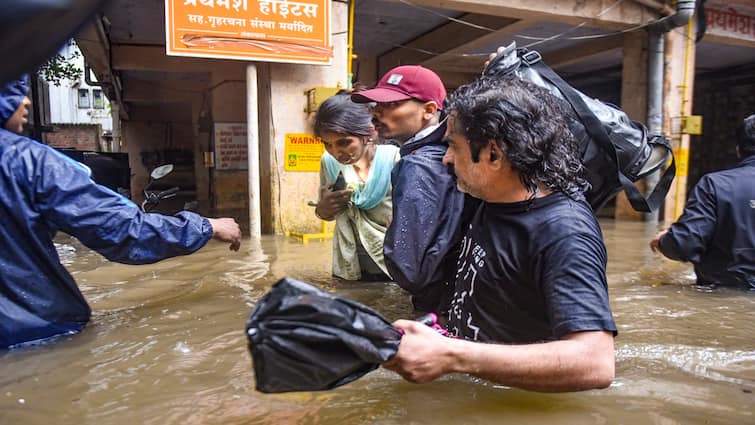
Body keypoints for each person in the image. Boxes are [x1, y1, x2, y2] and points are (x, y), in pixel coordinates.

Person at [383, 77, 617, 392]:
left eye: (453, 145)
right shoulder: (489, 197)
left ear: (493, 154)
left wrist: (454, 356)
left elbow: (595, 363)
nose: (446, 158)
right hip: (468, 384)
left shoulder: (564, 233)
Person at [0, 75, 242, 349]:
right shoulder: (28, 161)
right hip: (39, 335)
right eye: (14, 90)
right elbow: (122, 231)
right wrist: (207, 226)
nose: (27, 100)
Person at [351, 65, 476, 312]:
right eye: (375, 105)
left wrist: (394, 235)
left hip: (438, 303)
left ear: (429, 110)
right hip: (463, 295)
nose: (376, 113)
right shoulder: (448, 153)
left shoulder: (418, 165)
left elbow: (410, 269)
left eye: (390, 105)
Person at [650, 114, 755, 289]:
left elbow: (683, 244)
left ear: (738, 149)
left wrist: (664, 241)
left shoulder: (715, 185)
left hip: (722, 297)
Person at [313, 94, 399, 280]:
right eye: (328, 144)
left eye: (344, 142)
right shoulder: (329, 162)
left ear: (368, 133)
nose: (336, 152)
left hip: (390, 261)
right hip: (349, 262)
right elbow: (327, 214)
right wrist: (323, 210)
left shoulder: (394, 159)